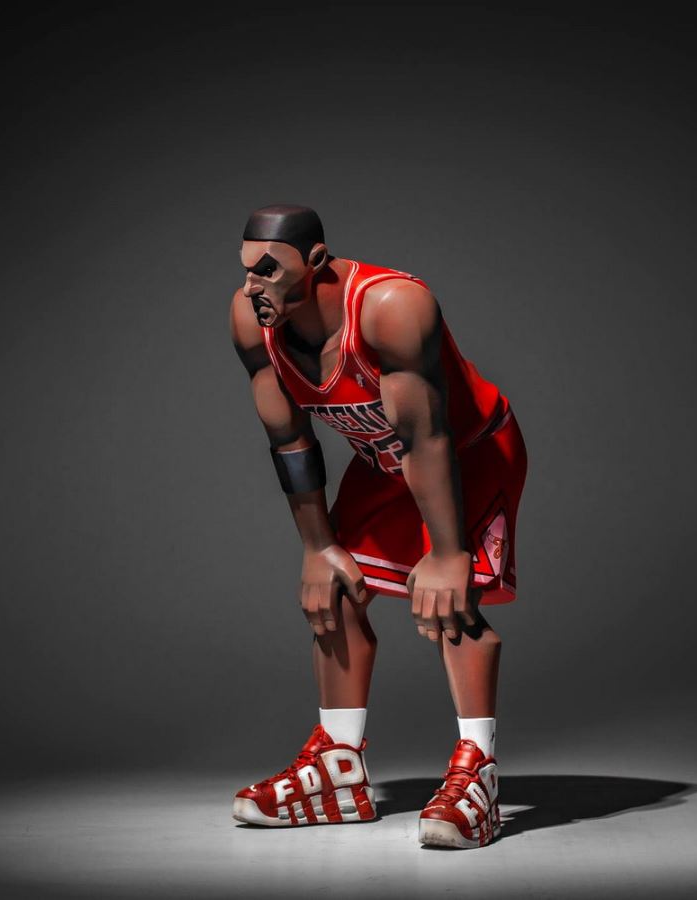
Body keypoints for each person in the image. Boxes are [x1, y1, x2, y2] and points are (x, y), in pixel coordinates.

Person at [228, 205, 527, 849]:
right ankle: (340, 769)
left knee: (449, 602)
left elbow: (428, 436)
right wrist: (317, 546)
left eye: (268, 270)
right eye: (246, 269)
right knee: (333, 590)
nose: (252, 285)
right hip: (383, 458)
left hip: (467, 454)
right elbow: (289, 441)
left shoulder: (391, 307)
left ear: (316, 262)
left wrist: (446, 553)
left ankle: (478, 772)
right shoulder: (254, 322)